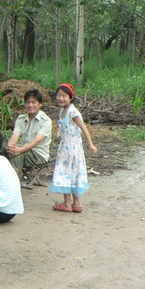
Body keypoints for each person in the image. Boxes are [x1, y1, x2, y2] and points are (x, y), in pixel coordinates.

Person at [49, 83, 97, 213]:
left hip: (72, 148)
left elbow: (84, 128)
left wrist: (91, 144)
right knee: (71, 172)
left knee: (67, 172)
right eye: (59, 95)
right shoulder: (62, 111)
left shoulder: (73, 112)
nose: (61, 98)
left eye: (64, 96)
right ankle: (76, 203)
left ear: (71, 97)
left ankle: (67, 204)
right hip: (65, 147)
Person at [6, 89, 52, 181]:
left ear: (40, 104)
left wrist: (19, 150)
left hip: (38, 154)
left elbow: (37, 141)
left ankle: (12, 184)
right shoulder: (21, 118)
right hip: (22, 149)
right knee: (0, 149)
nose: (30, 105)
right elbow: (15, 136)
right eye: (28, 102)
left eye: (33, 102)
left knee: (17, 155)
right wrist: (9, 147)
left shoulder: (46, 121)